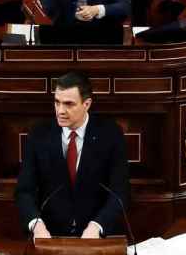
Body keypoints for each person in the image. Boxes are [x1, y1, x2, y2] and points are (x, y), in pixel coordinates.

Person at [15, 71, 129, 238]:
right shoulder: (39, 134)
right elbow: (24, 191)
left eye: (69, 104)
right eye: (57, 102)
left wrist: (98, 225)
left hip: (96, 237)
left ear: (87, 104)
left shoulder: (111, 135)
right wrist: (36, 225)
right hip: (49, 235)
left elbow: (120, 191)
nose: (60, 110)